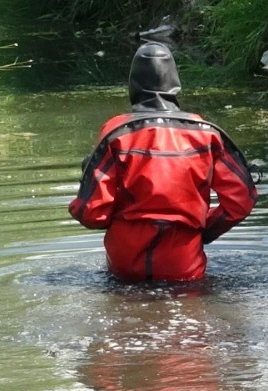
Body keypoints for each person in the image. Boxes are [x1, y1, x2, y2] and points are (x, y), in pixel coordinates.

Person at [68, 36, 256, 282]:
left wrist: (77, 207)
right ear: (175, 83)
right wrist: (202, 230)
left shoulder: (116, 133)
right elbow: (241, 201)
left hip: (125, 259)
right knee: (189, 310)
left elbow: (93, 213)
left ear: (132, 85)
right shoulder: (207, 134)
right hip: (183, 259)